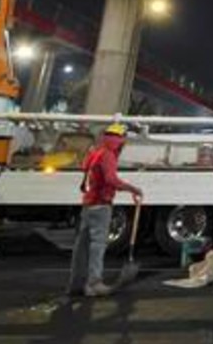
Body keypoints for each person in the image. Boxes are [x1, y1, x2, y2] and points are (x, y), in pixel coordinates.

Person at [68, 122, 143, 297]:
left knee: (82, 246)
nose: (124, 142)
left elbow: (88, 172)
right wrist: (132, 189)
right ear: (118, 139)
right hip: (101, 204)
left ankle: (76, 283)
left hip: (88, 204)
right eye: (123, 139)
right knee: (97, 246)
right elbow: (111, 179)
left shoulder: (95, 152)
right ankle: (94, 284)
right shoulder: (108, 155)